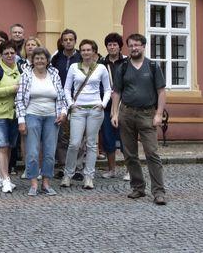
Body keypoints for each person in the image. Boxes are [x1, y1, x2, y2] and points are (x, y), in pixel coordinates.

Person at [111, 33, 167, 205]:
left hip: (147, 114)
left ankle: (158, 191)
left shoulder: (152, 66)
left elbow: (161, 92)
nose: (134, 48)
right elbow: (117, 92)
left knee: (152, 153)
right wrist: (114, 113)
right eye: (131, 45)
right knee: (130, 154)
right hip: (126, 114)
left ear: (143, 46)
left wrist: (159, 114)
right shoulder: (123, 67)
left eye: (137, 45)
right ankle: (138, 187)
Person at [16, 47, 67, 196]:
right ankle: (33, 183)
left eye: (42, 58)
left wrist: (63, 113)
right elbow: (19, 99)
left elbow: (61, 97)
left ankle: (45, 183)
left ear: (47, 60)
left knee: (50, 152)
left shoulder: (54, 74)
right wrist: (21, 120)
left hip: (52, 117)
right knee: (32, 151)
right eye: (36, 58)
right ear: (32, 60)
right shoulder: (26, 75)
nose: (39, 60)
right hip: (32, 115)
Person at [61, 39, 111, 190]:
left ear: (94, 51)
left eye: (88, 50)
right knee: (74, 143)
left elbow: (108, 89)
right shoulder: (74, 68)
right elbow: (66, 89)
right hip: (78, 110)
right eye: (83, 50)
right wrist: (71, 104)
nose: (85, 52)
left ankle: (88, 176)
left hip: (95, 110)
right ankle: (68, 175)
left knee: (91, 144)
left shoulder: (101, 68)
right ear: (80, 52)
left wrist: (103, 104)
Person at [0, 40, 21, 193]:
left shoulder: (20, 69)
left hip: (14, 113)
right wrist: (11, 89)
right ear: (0, 55)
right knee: (1, 145)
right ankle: (6, 179)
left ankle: (1, 176)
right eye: (6, 53)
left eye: (12, 53)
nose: (9, 55)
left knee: (8, 146)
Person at [51, 28, 83, 179]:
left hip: (78, 100)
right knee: (62, 135)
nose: (68, 42)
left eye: (71, 39)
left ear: (75, 41)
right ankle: (63, 166)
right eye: (65, 40)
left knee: (78, 135)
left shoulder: (81, 57)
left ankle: (77, 167)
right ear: (62, 42)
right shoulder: (56, 58)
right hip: (59, 100)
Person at [99, 32, 129, 181]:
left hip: (124, 105)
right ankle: (111, 169)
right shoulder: (101, 63)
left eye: (114, 45)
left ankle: (130, 170)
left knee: (126, 138)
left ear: (119, 46)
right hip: (106, 106)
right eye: (109, 45)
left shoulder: (127, 62)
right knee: (108, 138)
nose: (112, 47)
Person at [16, 36, 42, 178]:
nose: (30, 47)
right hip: (24, 104)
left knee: (39, 139)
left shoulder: (43, 63)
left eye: (34, 44)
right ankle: (28, 167)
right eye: (28, 45)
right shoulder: (20, 64)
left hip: (39, 105)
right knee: (25, 138)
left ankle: (38, 167)